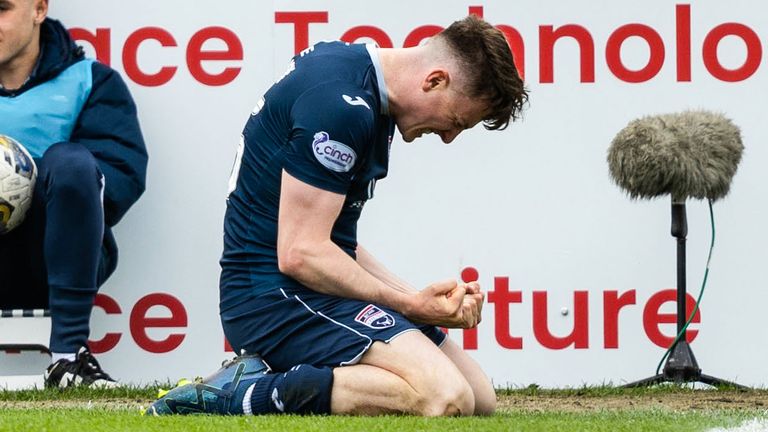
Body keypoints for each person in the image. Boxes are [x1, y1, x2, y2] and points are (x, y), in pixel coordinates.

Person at [149, 15, 526, 416]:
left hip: (309, 287)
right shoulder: (343, 107)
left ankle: (282, 376)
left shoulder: (361, 81)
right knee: (445, 397)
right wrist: (410, 306)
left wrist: (415, 298)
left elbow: (332, 244)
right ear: (434, 80)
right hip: (270, 298)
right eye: (455, 122)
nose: (449, 138)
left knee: (478, 396)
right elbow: (301, 253)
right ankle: (241, 393)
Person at [0, 0, 147, 388]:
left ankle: (68, 359)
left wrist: (21, 178)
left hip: (51, 259)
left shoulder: (89, 81)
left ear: (39, 9)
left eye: (2, 8)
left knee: (70, 162)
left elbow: (120, 176)